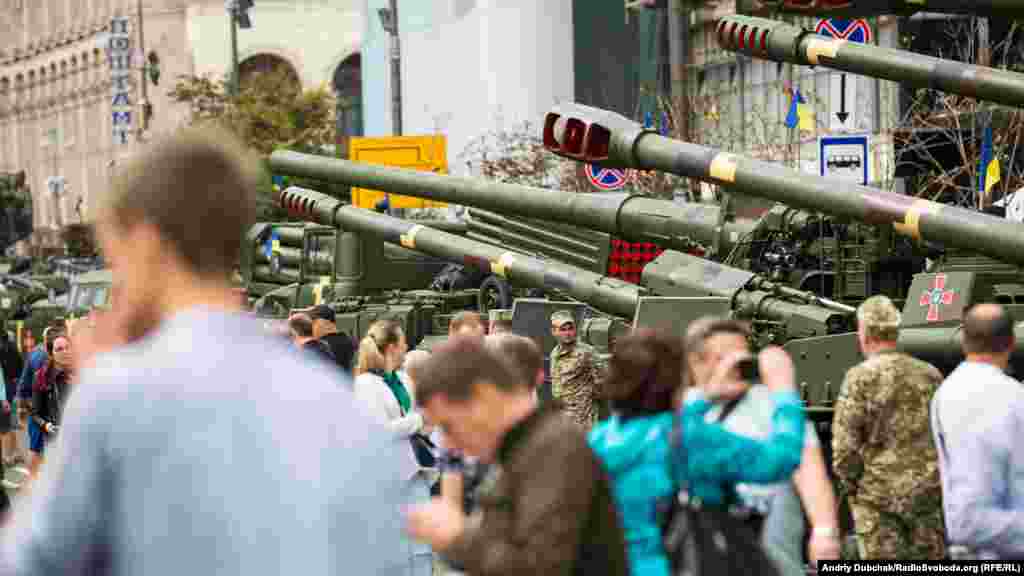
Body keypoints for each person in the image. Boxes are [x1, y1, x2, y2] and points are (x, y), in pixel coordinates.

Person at [0, 127, 408, 576]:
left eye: (115, 253)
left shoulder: (119, 395)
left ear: (146, 242)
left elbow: (29, 562)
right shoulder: (335, 402)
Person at [589, 328, 807, 576]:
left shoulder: (600, 438)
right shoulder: (691, 438)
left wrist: (707, 396)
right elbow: (779, 460)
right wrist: (784, 393)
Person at [407, 336, 629, 576]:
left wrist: (458, 538)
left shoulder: (551, 449)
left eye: (449, 426)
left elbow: (542, 566)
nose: (450, 444)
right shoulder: (530, 447)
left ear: (482, 395)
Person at [684, 317, 840, 573]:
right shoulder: (684, 407)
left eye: (741, 354)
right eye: (723, 357)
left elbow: (808, 468)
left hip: (768, 533)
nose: (737, 363)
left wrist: (824, 529)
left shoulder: (773, 405)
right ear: (696, 362)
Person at [833, 295, 945, 559]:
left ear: (864, 333)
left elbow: (845, 449)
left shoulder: (860, 378)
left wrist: (854, 487)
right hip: (927, 499)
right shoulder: (930, 374)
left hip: (879, 502)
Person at [932, 303, 1024, 559]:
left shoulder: (947, 392)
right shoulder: (1005, 396)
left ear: (964, 341)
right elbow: (973, 518)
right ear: (1011, 342)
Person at [353, 319, 435, 576]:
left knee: (422, 545)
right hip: (388, 474)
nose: (406, 347)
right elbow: (378, 432)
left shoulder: (402, 378)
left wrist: (427, 421)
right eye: (403, 342)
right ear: (391, 347)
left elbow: (414, 417)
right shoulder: (366, 384)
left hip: (416, 468)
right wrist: (418, 421)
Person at [27, 333, 74, 480]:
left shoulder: (82, 372)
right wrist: (46, 426)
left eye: (67, 347)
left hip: (80, 437)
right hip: (55, 439)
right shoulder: (41, 376)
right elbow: (35, 413)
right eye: (59, 349)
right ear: (51, 353)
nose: (65, 351)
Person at [549, 310, 600, 430]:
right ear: (554, 331)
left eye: (570, 329)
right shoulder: (554, 353)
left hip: (582, 419)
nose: (567, 333)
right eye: (563, 329)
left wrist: (586, 400)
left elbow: (601, 381)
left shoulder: (586, 352)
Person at [308, 304, 355, 374]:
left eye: (314, 322)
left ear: (322, 322)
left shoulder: (321, 346)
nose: (312, 327)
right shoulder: (348, 340)